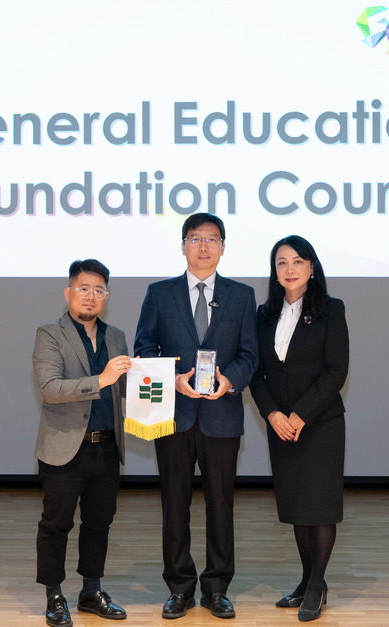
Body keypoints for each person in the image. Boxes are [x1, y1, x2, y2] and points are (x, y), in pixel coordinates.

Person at [134, 214, 259, 620]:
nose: (203, 246)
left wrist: (230, 380)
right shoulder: (159, 294)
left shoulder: (242, 296)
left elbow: (250, 354)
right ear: (183, 245)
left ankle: (217, 588)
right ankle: (180, 588)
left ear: (223, 247)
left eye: (211, 239)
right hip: (174, 415)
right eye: (195, 239)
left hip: (222, 416)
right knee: (175, 504)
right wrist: (172, 379)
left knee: (221, 506)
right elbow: (144, 350)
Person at [248, 236, 349, 622]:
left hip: (319, 425)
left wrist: (300, 415)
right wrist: (273, 414)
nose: (289, 269)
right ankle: (307, 580)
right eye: (281, 263)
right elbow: (256, 372)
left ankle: (316, 585)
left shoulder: (331, 310)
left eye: (297, 261)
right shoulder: (263, 314)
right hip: (281, 427)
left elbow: (336, 370)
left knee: (319, 507)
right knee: (297, 506)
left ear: (312, 267)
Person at [32, 259, 132, 627]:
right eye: (84, 288)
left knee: (99, 523)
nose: (91, 296)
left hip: (106, 447)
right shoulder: (49, 334)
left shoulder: (116, 336)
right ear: (68, 293)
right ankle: (54, 595)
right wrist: (101, 379)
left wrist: (161, 380)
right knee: (56, 524)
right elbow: (50, 388)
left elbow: (127, 387)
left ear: (106, 296)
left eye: (98, 290)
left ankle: (91, 592)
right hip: (63, 449)